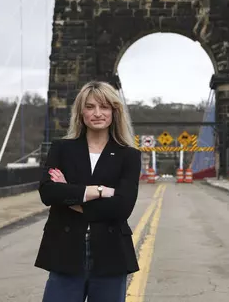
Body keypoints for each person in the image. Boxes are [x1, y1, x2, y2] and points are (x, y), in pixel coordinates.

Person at [34, 81, 142, 302]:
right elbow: (48, 193)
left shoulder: (129, 155)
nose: (97, 113)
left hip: (111, 255)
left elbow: (122, 208)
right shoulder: (61, 149)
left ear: (114, 112)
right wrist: (99, 191)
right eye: (90, 107)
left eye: (104, 107)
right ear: (81, 112)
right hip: (65, 251)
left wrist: (71, 196)